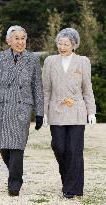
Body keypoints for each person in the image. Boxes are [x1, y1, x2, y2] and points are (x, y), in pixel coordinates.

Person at [0, 25, 44, 196]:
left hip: (22, 108)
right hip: (3, 107)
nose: (20, 41)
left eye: (23, 38)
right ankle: (15, 172)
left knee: (17, 146)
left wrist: (39, 113)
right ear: (8, 40)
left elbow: (37, 87)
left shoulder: (32, 59)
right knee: (4, 148)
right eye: (16, 38)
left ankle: (14, 184)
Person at [43, 28, 96, 199]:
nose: (62, 46)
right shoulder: (50, 61)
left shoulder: (83, 61)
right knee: (58, 146)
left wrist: (91, 112)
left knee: (74, 150)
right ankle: (72, 183)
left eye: (66, 44)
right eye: (60, 43)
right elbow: (46, 90)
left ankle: (70, 188)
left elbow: (87, 89)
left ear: (74, 45)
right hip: (56, 109)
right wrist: (43, 113)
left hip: (77, 110)